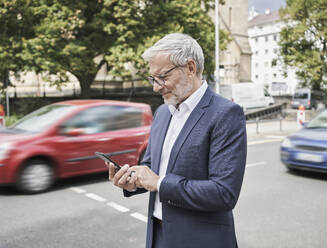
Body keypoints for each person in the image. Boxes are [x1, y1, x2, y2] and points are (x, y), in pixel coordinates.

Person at [106, 33, 247, 248]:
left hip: (201, 240)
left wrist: (160, 184)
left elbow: (223, 193)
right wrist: (133, 181)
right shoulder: (162, 112)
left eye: (163, 77)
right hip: (159, 236)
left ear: (190, 68)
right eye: (153, 79)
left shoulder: (226, 114)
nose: (156, 87)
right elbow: (152, 168)